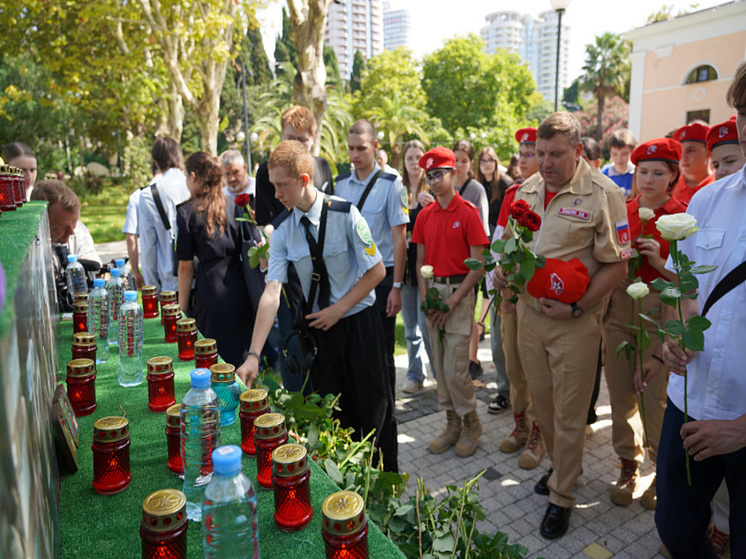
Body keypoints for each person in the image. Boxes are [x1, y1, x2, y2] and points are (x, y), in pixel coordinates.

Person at [496, 113, 631, 539]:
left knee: (570, 416)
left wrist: (578, 309)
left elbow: (617, 265)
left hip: (574, 324)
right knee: (546, 408)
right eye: (540, 153)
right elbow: (516, 247)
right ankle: (561, 468)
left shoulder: (604, 193)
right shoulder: (529, 189)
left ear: (577, 151)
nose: (546, 162)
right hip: (530, 318)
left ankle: (562, 495)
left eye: (556, 154)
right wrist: (503, 271)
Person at [235, 140, 398, 472]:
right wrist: (253, 354)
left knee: (375, 410)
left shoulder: (345, 213)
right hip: (322, 338)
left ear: (304, 179)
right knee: (337, 418)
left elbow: (377, 271)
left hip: (359, 326)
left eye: (282, 185)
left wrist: (339, 309)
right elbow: (271, 292)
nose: (275, 193)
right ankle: (353, 491)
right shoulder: (281, 232)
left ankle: (386, 481)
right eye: (273, 184)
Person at [656, 62, 746, 559]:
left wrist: (742, 429)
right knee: (674, 528)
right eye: (745, 112)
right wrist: (679, 336)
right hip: (690, 400)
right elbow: (688, 290)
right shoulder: (708, 201)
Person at [601, 138, 686, 510]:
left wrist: (662, 264)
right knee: (620, 395)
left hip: (659, 313)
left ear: (672, 177)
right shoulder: (622, 210)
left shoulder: (682, 218)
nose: (647, 180)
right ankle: (627, 463)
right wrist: (617, 271)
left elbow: (688, 285)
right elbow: (605, 256)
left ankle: (658, 469)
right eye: (642, 172)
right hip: (619, 312)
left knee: (655, 401)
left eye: (657, 173)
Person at [412, 146, 488, 458]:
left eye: (439, 173)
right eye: (428, 176)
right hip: (433, 295)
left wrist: (454, 301)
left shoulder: (468, 213)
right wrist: (426, 300)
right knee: (441, 369)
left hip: (460, 293)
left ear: (453, 173)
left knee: (457, 370)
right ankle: (452, 423)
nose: (433, 180)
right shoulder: (424, 216)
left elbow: (478, 264)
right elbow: (419, 262)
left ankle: (472, 423)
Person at [254, 105, 335, 393]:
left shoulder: (323, 166)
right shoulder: (267, 171)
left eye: (302, 140)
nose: (296, 145)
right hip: (288, 270)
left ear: (313, 137)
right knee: (293, 344)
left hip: (324, 273)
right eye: (290, 138)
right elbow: (266, 221)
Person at [335, 120, 409, 399]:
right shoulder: (340, 185)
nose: (355, 155)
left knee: (382, 350)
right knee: (354, 348)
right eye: (351, 148)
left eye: (362, 148)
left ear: (375, 147)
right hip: (350, 278)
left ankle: (387, 409)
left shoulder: (393, 185)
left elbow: (400, 239)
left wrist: (397, 287)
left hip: (383, 278)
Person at [488, 127, 545, 469]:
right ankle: (521, 423)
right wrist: (503, 286)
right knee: (514, 364)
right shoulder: (512, 194)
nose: (524, 160)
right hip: (512, 295)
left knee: (537, 367)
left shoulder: (554, 195)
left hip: (539, 298)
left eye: (531, 154)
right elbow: (501, 246)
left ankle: (539, 430)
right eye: (521, 154)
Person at [176, 152, 251, 366]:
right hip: (238, 284)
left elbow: (185, 266)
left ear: (193, 176)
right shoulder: (234, 205)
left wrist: (181, 310)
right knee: (238, 352)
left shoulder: (186, 212)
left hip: (210, 288)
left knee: (212, 354)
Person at [475, 145, 511, 413]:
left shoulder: (507, 187)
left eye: (491, 160)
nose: (487, 164)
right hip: (485, 253)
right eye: (483, 160)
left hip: (503, 257)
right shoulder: (478, 187)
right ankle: (504, 390)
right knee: (497, 334)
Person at [30, 180, 102, 310]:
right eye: (61, 227)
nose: (71, 231)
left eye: (74, 222)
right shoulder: (29, 244)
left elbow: (96, 269)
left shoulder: (78, 231)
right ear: (42, 223)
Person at [451, 140, 489, 380]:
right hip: (448, 260)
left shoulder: (476, 189)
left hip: (469, 261)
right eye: (455, 160)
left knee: (469, 311)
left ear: (470, 163)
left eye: (464, 161)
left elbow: (482, 229)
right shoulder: (444, 185)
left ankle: (472, 359)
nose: (459, 165)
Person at [400, 140, 434, 394]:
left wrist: (431, 205)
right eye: (410, 157)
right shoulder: (398, 190)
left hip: (426, 267)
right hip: (404, 267)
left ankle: (438, 373)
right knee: (410, 326)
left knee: (427, 324)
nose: (414, 162)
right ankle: (415, 375)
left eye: (418, 157)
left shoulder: (431, 189)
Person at [137, 137, 190, 292]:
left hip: (170, 283)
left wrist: (152, 287)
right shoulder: (193, 184)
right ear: (180, 156)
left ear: (156, 161)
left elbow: (148, 249)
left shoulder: (149, 194)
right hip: (198, 279)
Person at [121, 162, 159, 290]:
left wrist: (136, 272)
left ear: (152, 173)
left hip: (151, 266)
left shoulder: (138, 196)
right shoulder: (181, 190)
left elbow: (131, 237)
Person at [671, 121, 715, 205]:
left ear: (709, 152)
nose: (683, 157)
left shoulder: (720, 185)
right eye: (680, 151)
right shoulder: (670, 187)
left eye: (690, 150)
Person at [602, 129, 637, 197]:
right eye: (615, 154)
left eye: (624, 154)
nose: (619, 159)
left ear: (632, 152)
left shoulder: (636, 174)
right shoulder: (605, 174)